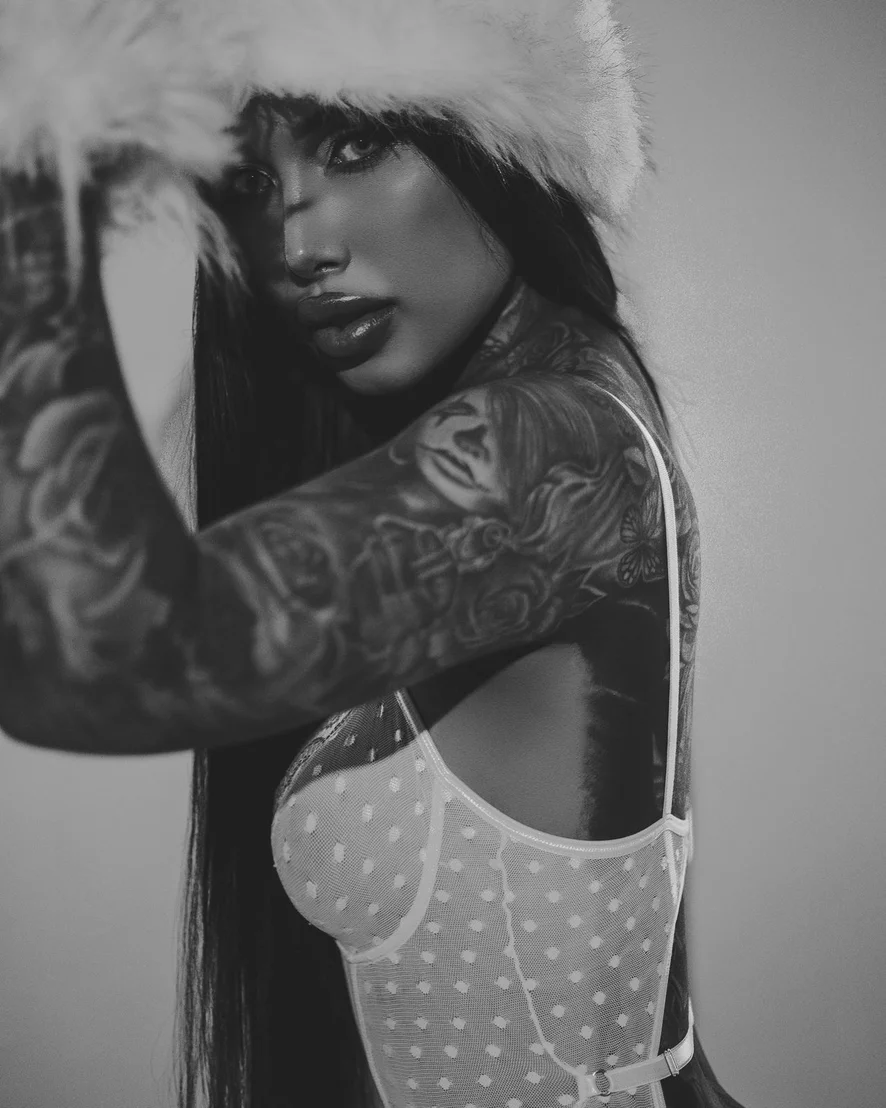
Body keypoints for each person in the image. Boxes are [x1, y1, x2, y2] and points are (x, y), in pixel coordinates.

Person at [0, 1, 745, 1106]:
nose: (298, 246)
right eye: (249, 181)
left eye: (355, 143)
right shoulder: (543, 424)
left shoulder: (547, 450)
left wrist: (31, 180)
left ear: (504, 143)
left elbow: (92, 654)